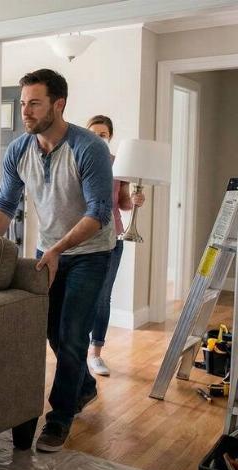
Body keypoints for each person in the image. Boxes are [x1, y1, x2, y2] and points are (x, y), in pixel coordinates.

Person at [0, 69, 114, 452]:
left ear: (59, 105)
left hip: (89, 254)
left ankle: (59, 419)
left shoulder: (89, 147)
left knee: (74, 335)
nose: (25, 111)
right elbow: (6, 203)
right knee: (50, 331)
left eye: (34, 103)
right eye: (23, 103)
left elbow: (100, 211)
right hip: (48, 251)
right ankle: (86, 387)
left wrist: (58, 249)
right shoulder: (19, 149)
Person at [86, 115, 145, 376]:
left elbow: (122, 203)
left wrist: (134, 200)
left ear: (109, 137)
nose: (98, 138)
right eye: (93, 133)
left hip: (112, 239)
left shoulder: (116, 165)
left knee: (102, 297)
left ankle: (95, 354)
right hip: (82, 239)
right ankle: (73, 351)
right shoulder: (78, 160)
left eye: (103, 134)